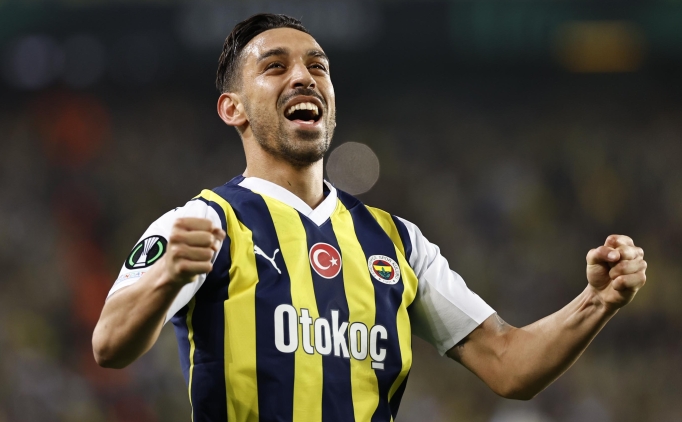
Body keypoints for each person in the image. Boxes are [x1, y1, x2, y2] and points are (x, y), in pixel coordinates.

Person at [92, 13, 648, 422]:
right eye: (275, 66)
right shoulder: (204, 223)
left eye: (317, 66)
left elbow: (509, 364)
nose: (304, 77)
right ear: (232, 107)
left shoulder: (397, 242)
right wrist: (167, 278)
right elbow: (109, 345)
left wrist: (598, 301)